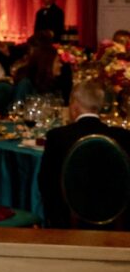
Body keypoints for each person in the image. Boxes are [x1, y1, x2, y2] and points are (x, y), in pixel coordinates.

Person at [38, 80, 130, 229]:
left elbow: (46, 183)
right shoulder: (122, 137)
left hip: (67, 223)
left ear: (74, 107)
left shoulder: (58, 137)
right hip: (115, 222)